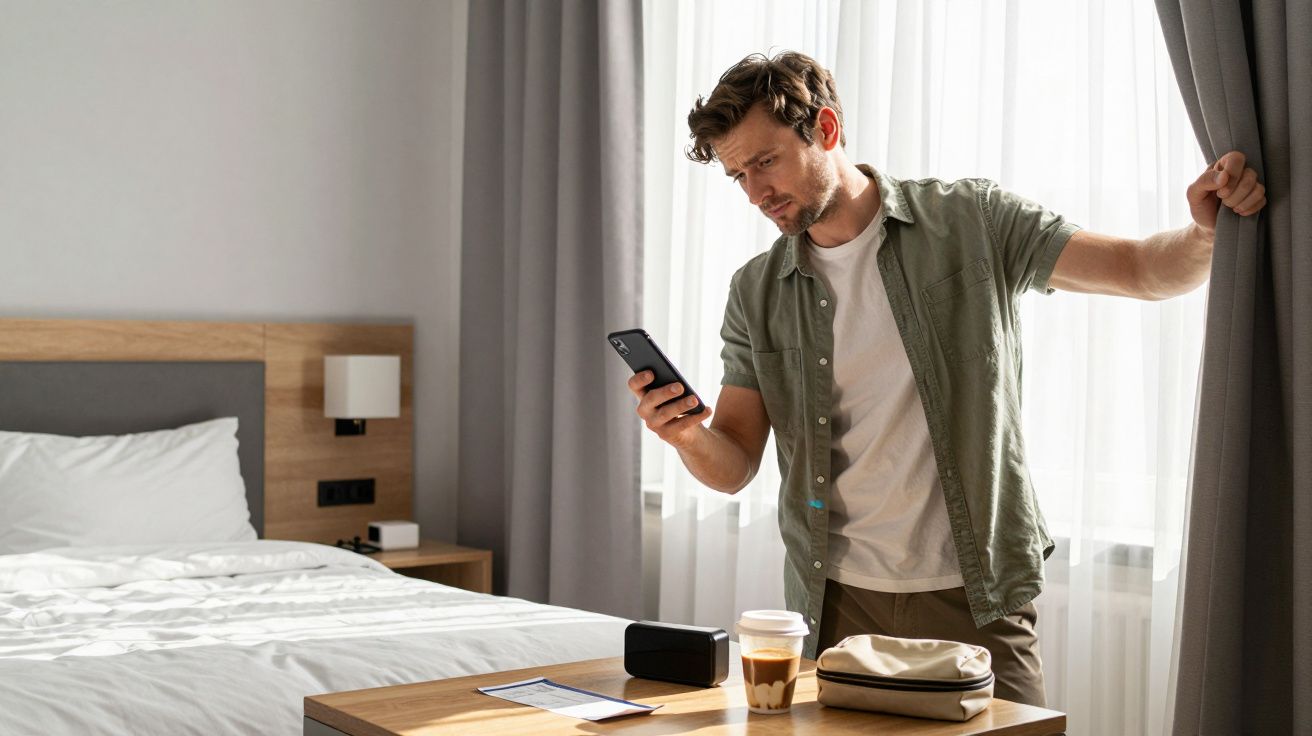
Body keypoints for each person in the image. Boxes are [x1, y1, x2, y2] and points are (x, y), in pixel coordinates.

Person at [625, 51, 1266, 707]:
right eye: (738, 176)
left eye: (765, 162)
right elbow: (732, 464)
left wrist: (1201, 232)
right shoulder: (757, 290)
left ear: (825, 128)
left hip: (976, 597)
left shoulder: (972, 223)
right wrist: (684, 434)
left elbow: (1140, 270)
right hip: (837, 604)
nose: (756, 192)